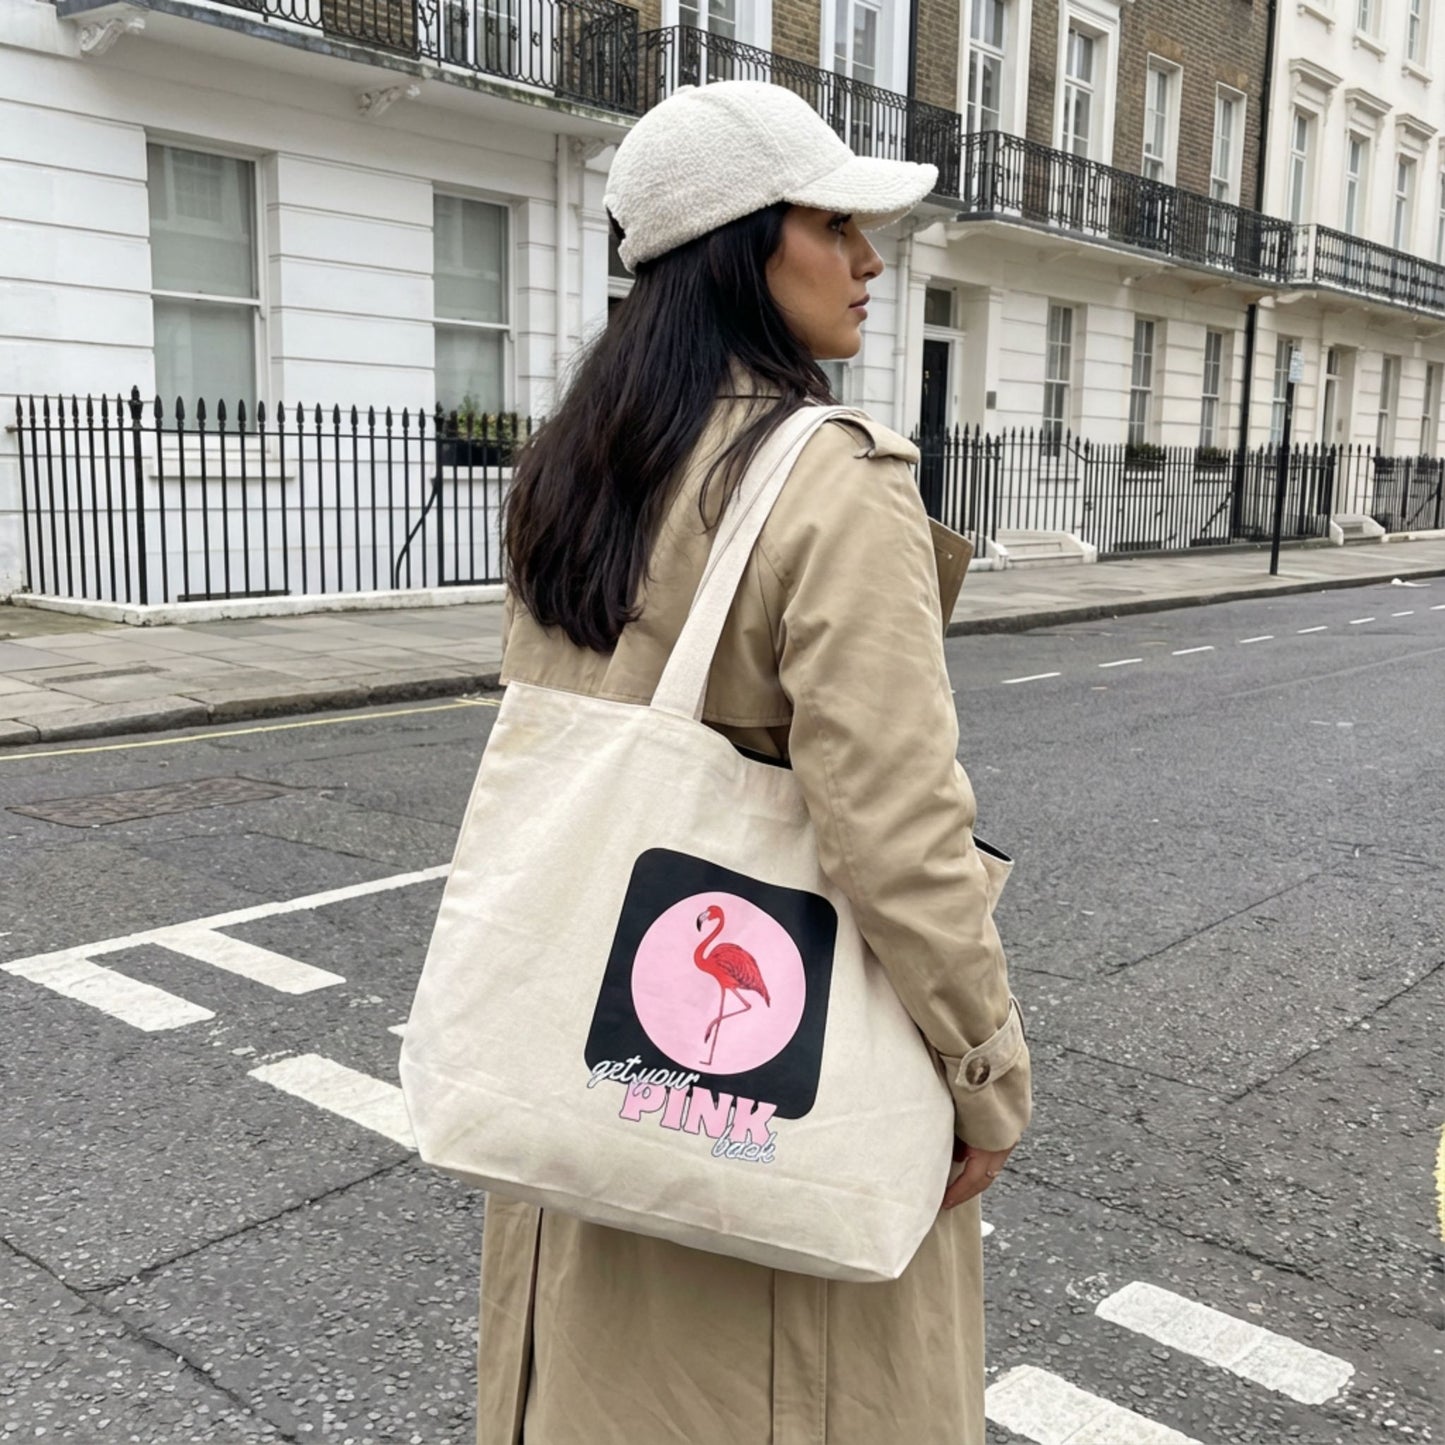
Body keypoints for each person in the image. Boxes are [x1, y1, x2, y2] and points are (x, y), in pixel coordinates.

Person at [485, 80, 1031, 1445]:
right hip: (767, 1123)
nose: (868, 258)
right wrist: (984, 1077)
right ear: (741, 243)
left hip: (591, 1072)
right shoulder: (828, 482)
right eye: (833, 220)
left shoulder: (577, 469)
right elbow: (897, 830)